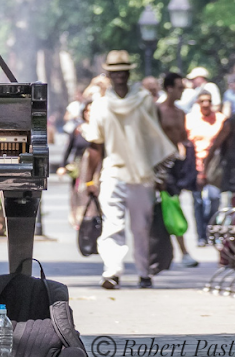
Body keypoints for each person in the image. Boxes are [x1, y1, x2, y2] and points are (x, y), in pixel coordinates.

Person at [84, 50, 177, 290]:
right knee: (112, 226)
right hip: (114, 172)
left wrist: (160, 174)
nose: (120, 77)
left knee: (141, 228)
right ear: (109, 74)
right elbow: (95, 145)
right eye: (115, 72)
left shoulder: (145, 100)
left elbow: (156, 137)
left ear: (129, 73)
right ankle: (112, 272)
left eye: (123, 72)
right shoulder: (101, 105)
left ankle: (144, 272)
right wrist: (88, 180)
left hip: (143, 174)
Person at [156, 73, 198, 267]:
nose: (182, 91)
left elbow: (182, 139)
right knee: (163, 208)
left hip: (175, 165)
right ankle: (171, 252)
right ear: (169, 88)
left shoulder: (181, 113)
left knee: (173, 206)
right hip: (158, 165)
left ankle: (179, 252)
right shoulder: (157, 110)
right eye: (180, 87)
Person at [186, 90, 226, 246]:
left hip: (215, 166)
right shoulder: (190, 120)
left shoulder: (221, 119)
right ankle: (201, 235)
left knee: (215, 198)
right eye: (202, 101)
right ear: (198, 103)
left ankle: (211, 230)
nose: (206, 104)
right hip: (195, 165)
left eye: (208, 100)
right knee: (198, 201)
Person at [58, 101, 92, 229]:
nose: (89, 114)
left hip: (96, 167)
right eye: (87, 111)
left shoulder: (100, 129)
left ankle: (92, 217)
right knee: (77, 192)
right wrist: (62, 166)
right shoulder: (78, 130)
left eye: (91, 111)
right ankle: (78, 218)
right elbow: (68, 148)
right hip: (79, 166)